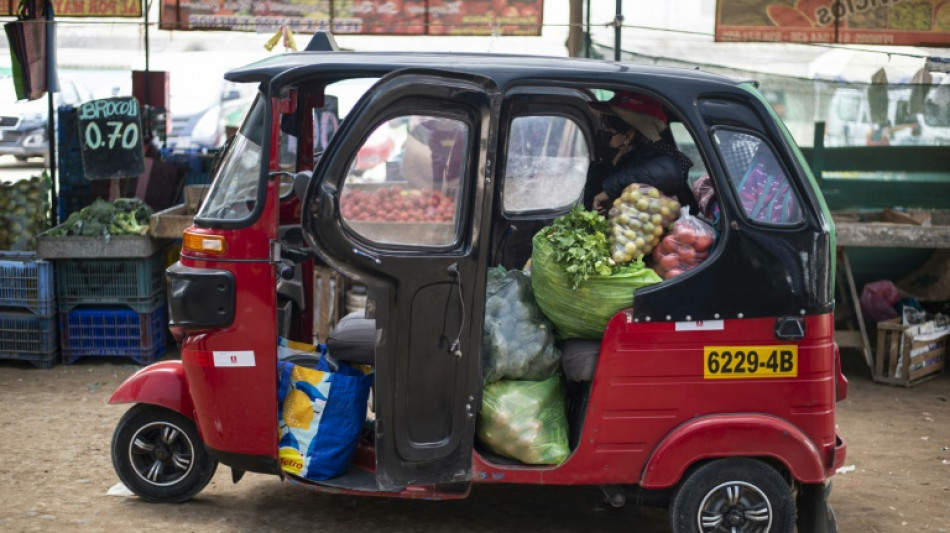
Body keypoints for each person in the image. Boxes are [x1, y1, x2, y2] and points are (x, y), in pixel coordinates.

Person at [585, 92, 697, 215]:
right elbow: (591, 204)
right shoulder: (613, 161)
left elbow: (669, 172)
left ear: (628, 135)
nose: (602, 134)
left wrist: (609, 191)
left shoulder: (654, 159)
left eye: (608, 130)